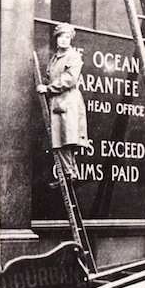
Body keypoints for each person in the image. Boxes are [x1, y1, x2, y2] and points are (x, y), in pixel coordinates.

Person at [36, 22, 88, 187]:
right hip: (58, 102)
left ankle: (69, 174)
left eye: (67, 37)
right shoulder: (55, 57)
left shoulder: (73, 56)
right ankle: (70, 174)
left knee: (64, 141)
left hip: (67, 101)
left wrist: (49, 88)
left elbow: (69, 78)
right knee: (62, 140)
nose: (64, 40)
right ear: (56, 39)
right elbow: (52, 76)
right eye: (61, 37)